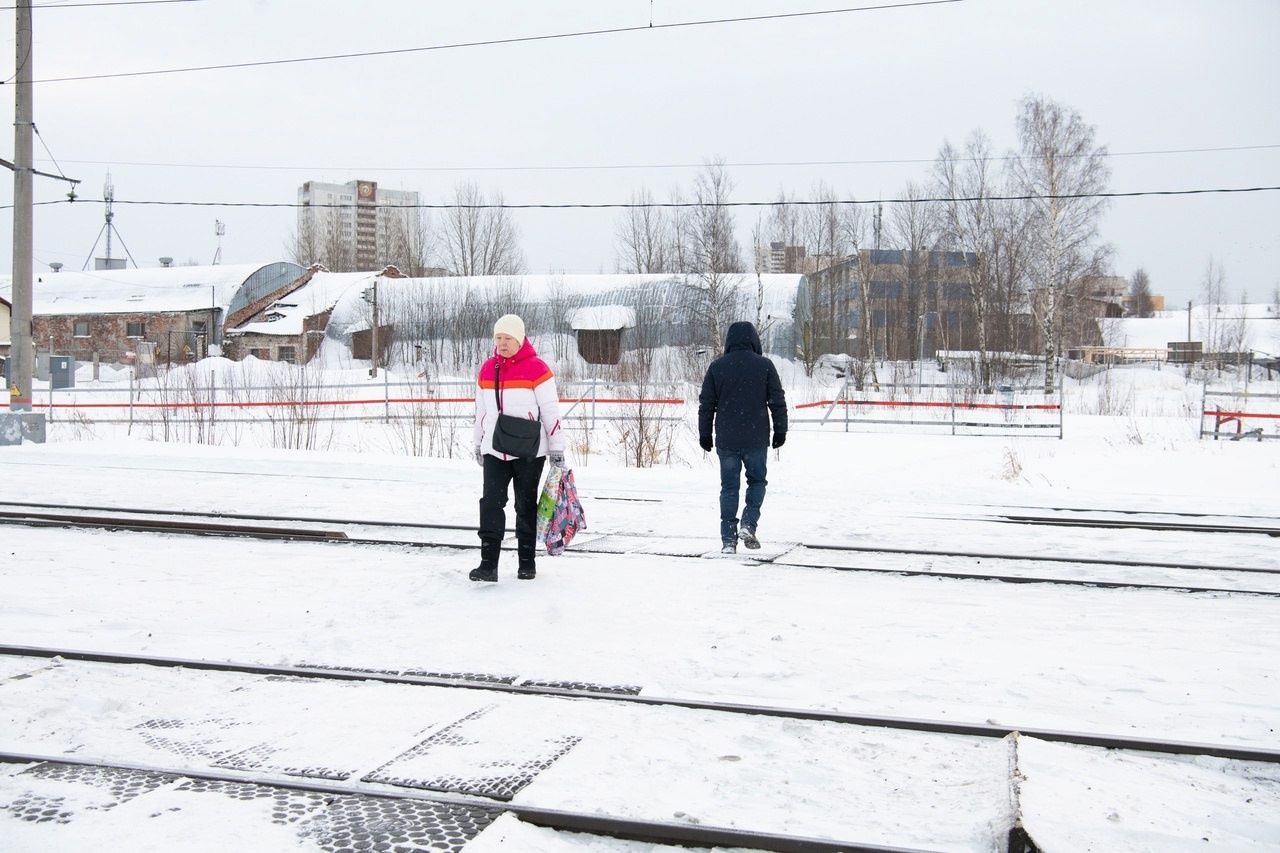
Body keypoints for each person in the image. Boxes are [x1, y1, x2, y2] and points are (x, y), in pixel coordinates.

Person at [471, 314, 566, 582]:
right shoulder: (487, 369)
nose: (502, 343)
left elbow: (550, 410)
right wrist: (478, 442)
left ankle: (527, 564)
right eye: (498, 338)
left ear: (520, 339)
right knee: (491, 504)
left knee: (525, 505)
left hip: (529, 452)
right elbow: (481, 411)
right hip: (495, 449)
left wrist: (557, 447)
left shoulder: (537, 369)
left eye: (508, 338)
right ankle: (488, 565)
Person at [698, 321, 787, 554]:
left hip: (727, 439)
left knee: (729, 487)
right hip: (756, 438)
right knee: (757, 482)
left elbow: (706, 404)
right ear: (754, 340)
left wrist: (705, 434)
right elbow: (777, 401)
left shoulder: (717, 367)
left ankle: (728, 540)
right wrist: (780, 430)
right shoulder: (764, 366)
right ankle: (748, 523)